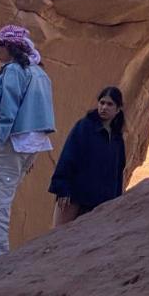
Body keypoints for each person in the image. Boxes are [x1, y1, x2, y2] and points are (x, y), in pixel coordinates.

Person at [0, 25, 55, 267]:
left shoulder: (14, 71)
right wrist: (35, 152)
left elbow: (8, 113)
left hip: (13, 144)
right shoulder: (39, 72)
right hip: (30, 145)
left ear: (9, 48)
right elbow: (44, 114)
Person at [49, 86, 126, 227]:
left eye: (110, 104)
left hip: (99, 202)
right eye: (102, 103)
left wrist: (116, 201)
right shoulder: (84, 127)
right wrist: (62, 188)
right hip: (73, 197)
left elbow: (118, 173)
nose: (104, 107)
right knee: (58, 239)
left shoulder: (117, 139)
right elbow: (68, 156)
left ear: (118, 109)